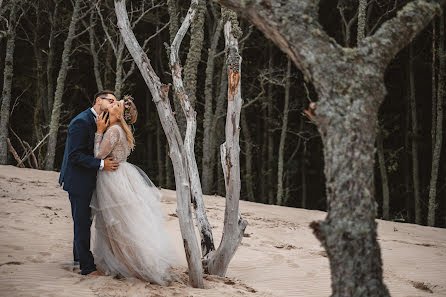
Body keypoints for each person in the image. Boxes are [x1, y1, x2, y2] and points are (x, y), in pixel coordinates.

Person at [91, 95, 177, 285]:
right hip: (123, 175)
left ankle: (125, 264)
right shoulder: (121, 129)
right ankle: (124, 261)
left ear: (120, 113)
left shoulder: (113, 130)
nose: (113, 104)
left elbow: (98, 154)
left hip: (112, 179)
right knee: (122, 223)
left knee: (116, 224)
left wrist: (99, 132)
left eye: (117, 104)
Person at [59, 90, 120, 276]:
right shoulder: (81, 121)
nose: (112, 104)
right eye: (110, 101)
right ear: (97, 100)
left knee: (85, 221)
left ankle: (79, 259)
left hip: (90, 180)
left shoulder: (102, 121)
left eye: (114, 102)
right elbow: (75, 156)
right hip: (78, 180)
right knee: (82, 223)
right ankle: (87, 267)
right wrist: (102, 164)